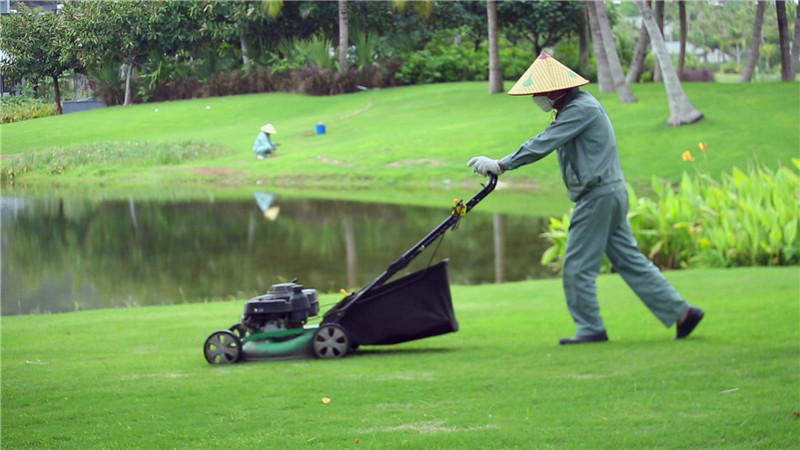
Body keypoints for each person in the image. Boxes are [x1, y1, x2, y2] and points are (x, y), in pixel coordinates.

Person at [467, 52, 704, 345]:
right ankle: (683, 314)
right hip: (610, 192)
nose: (537, 98)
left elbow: (544, 142)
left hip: (598, 196)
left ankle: (591, 328)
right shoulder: (576, 107)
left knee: (577, 268)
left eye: (539, 93)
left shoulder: (580, 109)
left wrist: (501, 164)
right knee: (630, 261)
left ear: (555, 90)